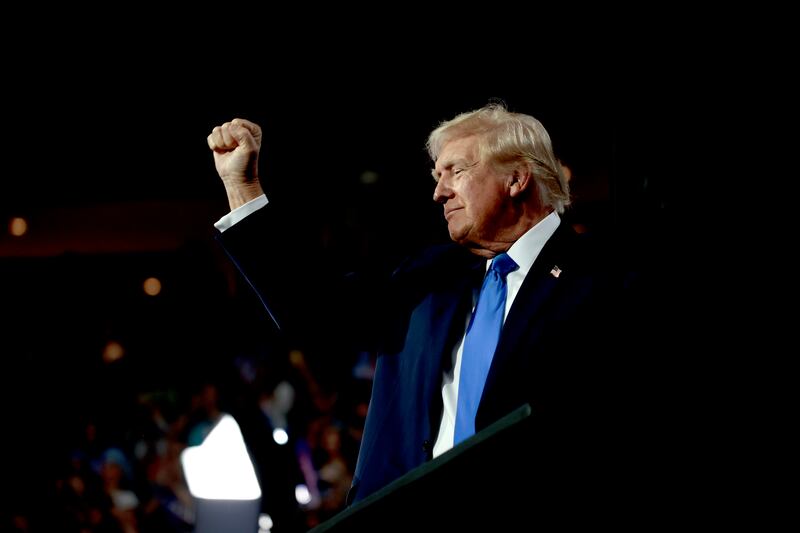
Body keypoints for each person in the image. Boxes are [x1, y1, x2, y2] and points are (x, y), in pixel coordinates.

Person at [206, 104, 638, 514]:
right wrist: (242, 187)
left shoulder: (605, 281)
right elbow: (316, 314)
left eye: (457, 171)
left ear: (516, 178)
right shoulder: (428, 276)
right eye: (437, 175)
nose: (438, 192)